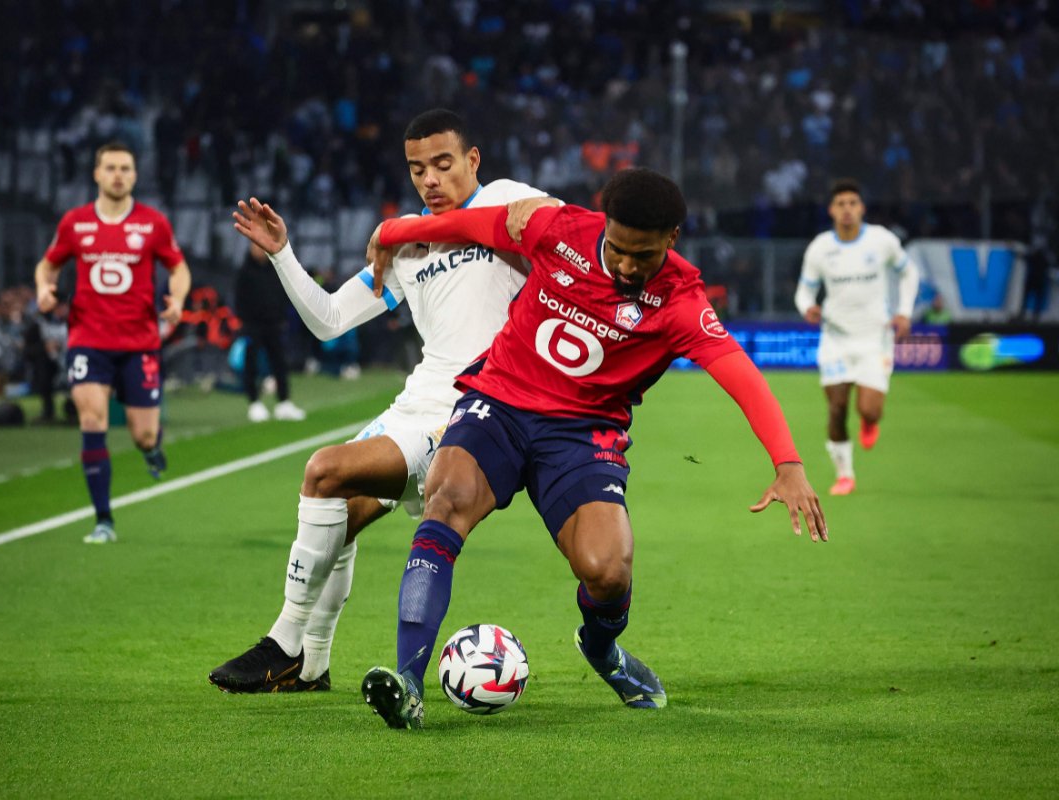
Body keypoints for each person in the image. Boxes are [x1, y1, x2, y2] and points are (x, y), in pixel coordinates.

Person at [359, 167, 827, 729]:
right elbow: (478, 225)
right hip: (501, 401)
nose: (628, 265)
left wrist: (788, 464)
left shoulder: (681, 302)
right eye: (619, 249)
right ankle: (408, 681)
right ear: (605, 225)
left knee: (608, 570)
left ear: (672, 240)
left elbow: (743, 378)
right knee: (447, 497)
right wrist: (394, 231)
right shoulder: (556, 228)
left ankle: (603, 650)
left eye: (644, 255)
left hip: (583, 434)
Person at [208, 108, 558, 693]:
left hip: (470, 411)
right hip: (413, 403)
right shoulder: (408, 247)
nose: (430, 179)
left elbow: (555, 224)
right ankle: (312, 664)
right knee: (338, 516)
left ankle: (283, 640)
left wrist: (405, 227)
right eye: (418, 168)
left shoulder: (505, 197)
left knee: (324, 471)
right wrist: (282, 255)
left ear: (473, 160)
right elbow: (330, 321)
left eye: (444, 164)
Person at [34, 141, 191, 544]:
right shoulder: (75, 223)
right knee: (92, 420)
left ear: (135, 175)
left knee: (143, 435)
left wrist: (178, 299)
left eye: (125, 168)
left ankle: (151, 449)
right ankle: (104, 520)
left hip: (139, 343)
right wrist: (43, 289)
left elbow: (178, 268)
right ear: (97, 174)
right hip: (88, 339)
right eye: (111, 168)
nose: (118, 174)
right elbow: (49, 263)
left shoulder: (153, 224)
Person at [794, 178, 919, 496]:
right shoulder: (821, 247)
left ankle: (869, 420)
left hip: (874, 339)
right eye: (840, 204)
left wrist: (904, 311)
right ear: (831, 210)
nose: (847, 209)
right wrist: (808, 307)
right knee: (836, 408)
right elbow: (804, 290)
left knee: (869, 409)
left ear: (861, 208)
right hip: (835, 338)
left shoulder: (881, 240)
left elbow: (909, 272)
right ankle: (844, 474)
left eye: (852, 203)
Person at [234, 242, 306, 422]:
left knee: (280, 363)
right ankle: (254, 403)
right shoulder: (244, 272)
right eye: (255, 246)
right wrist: (247, 322)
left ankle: (284, 402)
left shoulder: (274, 270)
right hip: (253, 327)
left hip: (274, 325)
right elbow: (239, 300)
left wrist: (281, 317)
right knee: (251, 365)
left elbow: (281, 295)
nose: (259, 250)